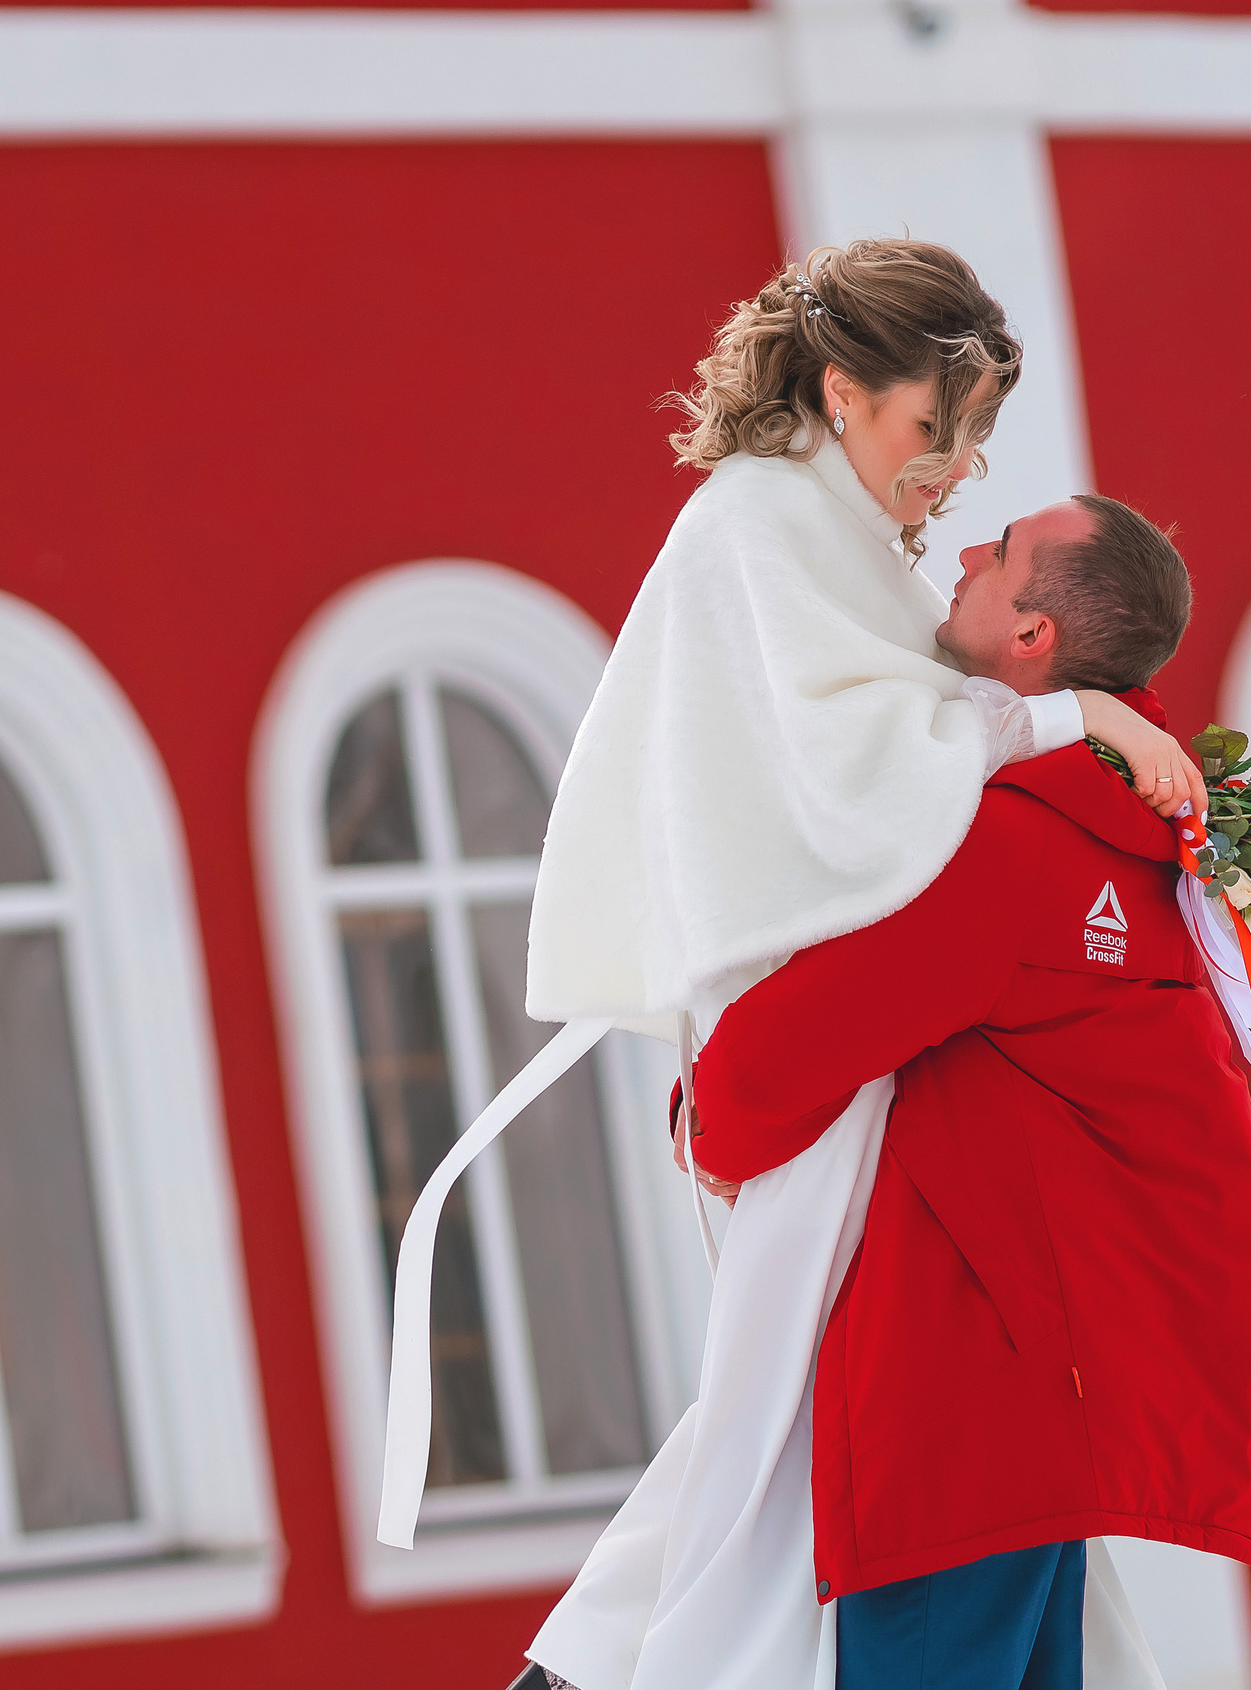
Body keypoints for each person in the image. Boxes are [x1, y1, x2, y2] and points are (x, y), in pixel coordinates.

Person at [508, 242, 1207, 1690]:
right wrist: (1068, 718)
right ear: (842, 390)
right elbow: (862, 775)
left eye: (974, 440)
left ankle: (593, 1666)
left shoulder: (842, 540)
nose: (953, 474)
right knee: (773, 1406)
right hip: (800, 1022)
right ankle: (612, 1663)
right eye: (930, 429)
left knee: (772, 1411)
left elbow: (912, 743)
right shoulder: (760, 523)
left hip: (846, 1048)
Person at [685, 495, 1251, 1689]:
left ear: (1031, 638)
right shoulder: (1136, 838)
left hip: (969, 1397)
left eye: (1001, 552)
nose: (964, 551)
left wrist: (704, 1122)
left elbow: (787, 1052)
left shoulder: (1016, 847)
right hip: (1040, 1395)